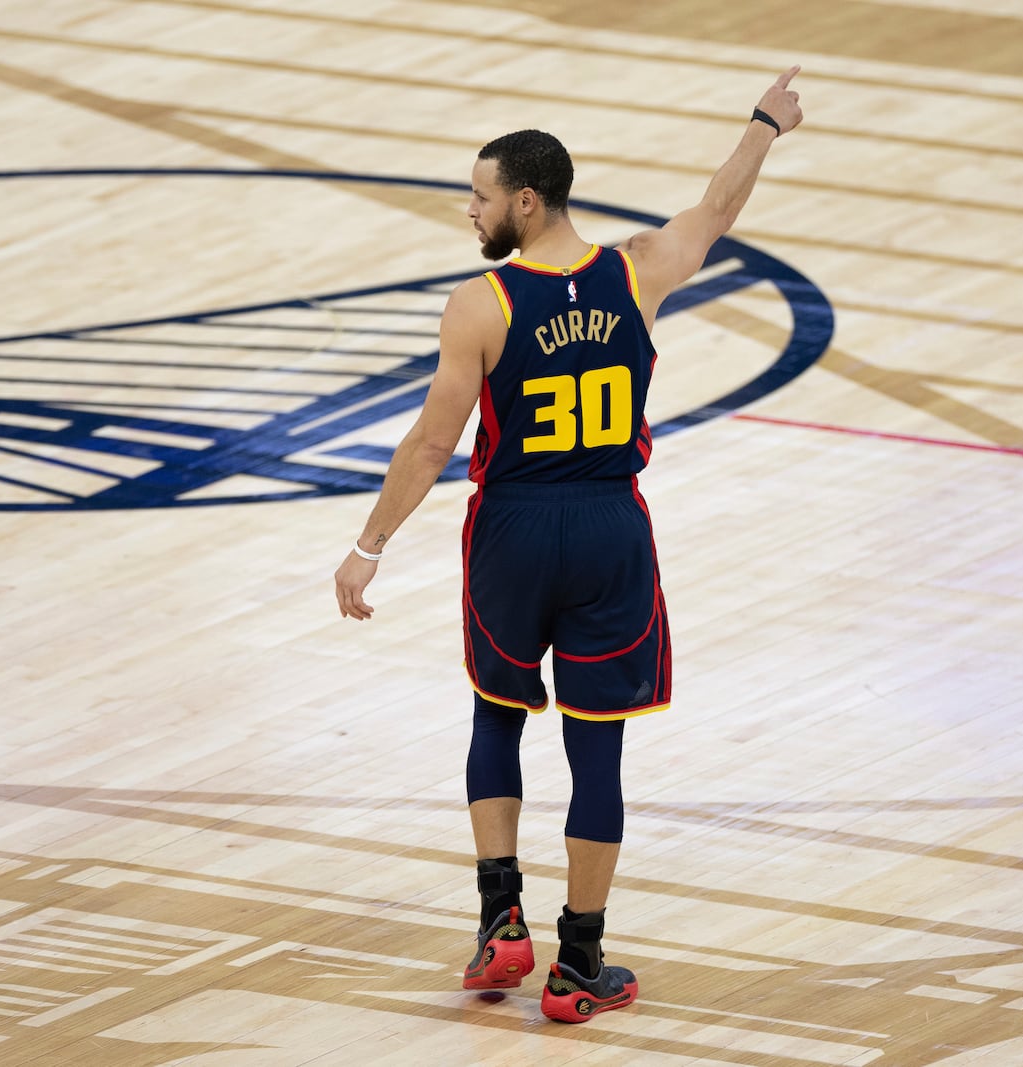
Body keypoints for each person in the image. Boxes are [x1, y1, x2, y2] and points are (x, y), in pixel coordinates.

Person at [333, 66, 803, 1022]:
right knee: (599, 754)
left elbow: (432, 443)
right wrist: (765, 125)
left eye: (480, 194)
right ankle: (579, 967)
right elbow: (717, 208)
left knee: (496, 715)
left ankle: (500, 924)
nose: (470, 210)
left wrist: (369, 544)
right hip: (607, 529)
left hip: (512, 529)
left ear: (526, 201)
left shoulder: (482, 305)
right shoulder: (637, 271)